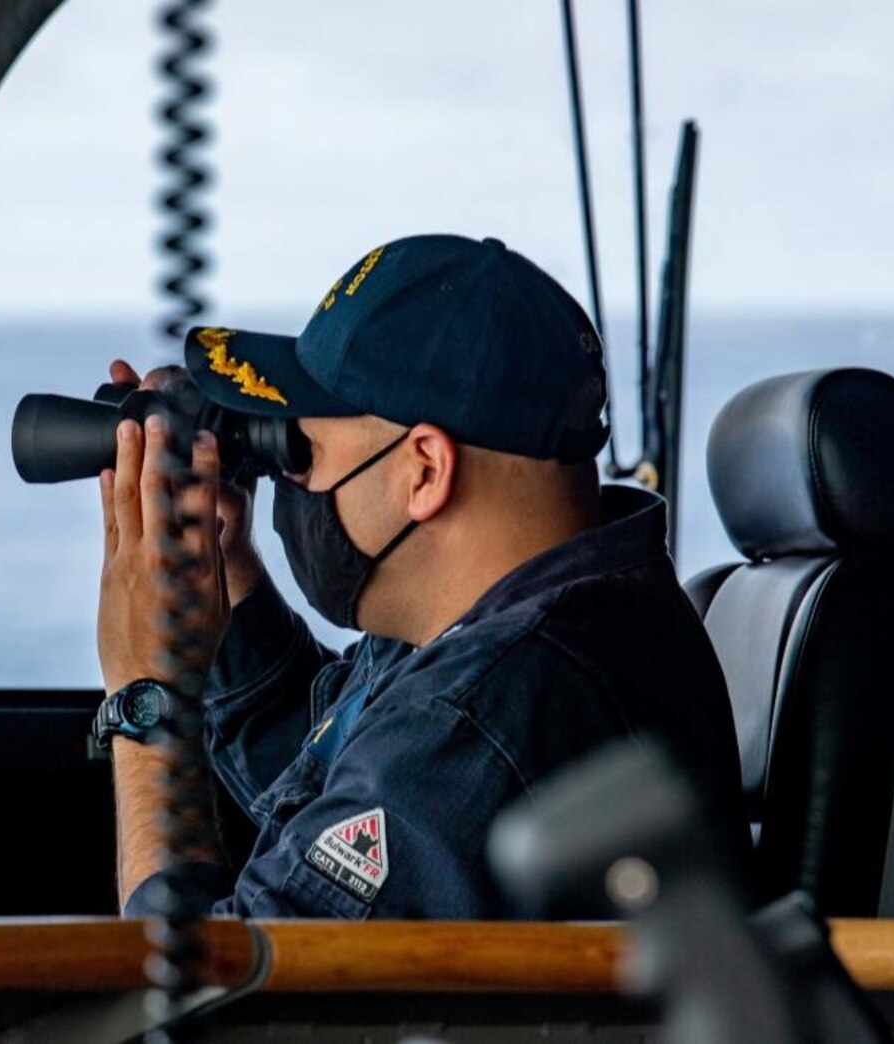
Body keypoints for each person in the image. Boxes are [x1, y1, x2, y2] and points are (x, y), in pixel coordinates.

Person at [95, 233, 749, 919]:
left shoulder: (479, 718)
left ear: (426, 471)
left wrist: (149, 698)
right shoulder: (541, 624)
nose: (288, 479)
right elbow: (329, 763)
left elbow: (204, 1010)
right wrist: (224, 571)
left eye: (301, 449)